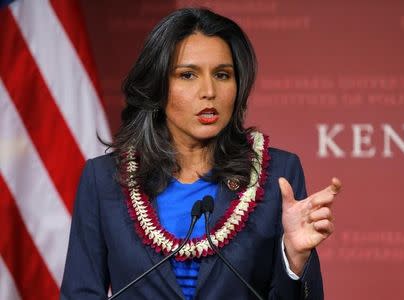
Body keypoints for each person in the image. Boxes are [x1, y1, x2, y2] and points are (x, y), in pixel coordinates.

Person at [61, 7, 341, 300]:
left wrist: (294, 260)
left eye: (222, 74)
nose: (209, 91)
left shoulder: (277, 174)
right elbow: (80, 292)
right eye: (188, 75)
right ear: (158, 86)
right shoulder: (104, 178)